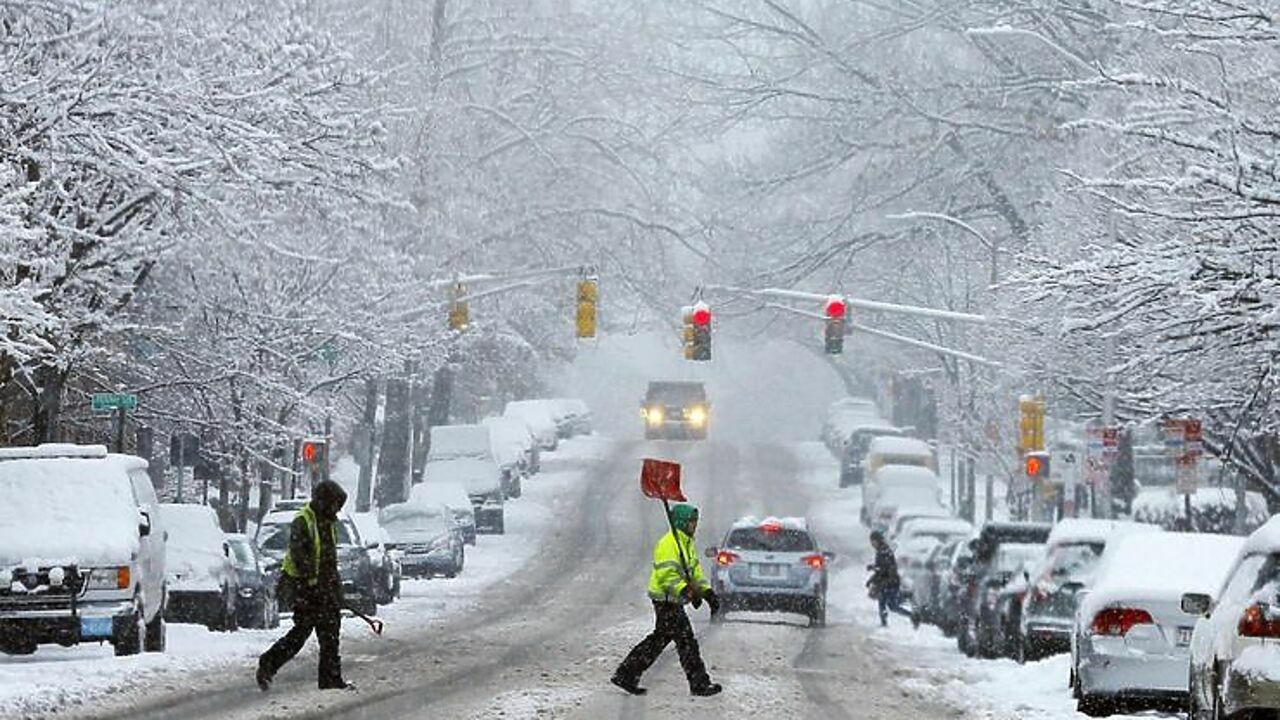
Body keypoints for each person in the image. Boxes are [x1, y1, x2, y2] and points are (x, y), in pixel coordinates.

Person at [612, 503, 722, 697]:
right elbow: (666, 575)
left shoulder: (686, 543)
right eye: (691, 522)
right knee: (686, 640)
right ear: (681, 522)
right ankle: (699, 683)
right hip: (665, 598)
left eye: (696, 521)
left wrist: (707, 593)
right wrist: (686, 590)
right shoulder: (669, 543)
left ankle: (627, 673)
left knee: (661, 638)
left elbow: (695, 573)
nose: (694, 525)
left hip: (673, 599)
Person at [257, 480, 353, 691]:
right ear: (324, 501)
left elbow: (329, 559)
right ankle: (268, 663)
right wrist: (314, 583)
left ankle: (330, 678)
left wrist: (335, 588)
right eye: (335, 503)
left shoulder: (328, 523)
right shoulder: (303, 521)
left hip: (323, 589)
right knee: (301, 632)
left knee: (331, 633)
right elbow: (301, 558)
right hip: (302, 588)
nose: (337, 508)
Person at [867, 530, 916, 628]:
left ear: (877, 540)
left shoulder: (884, 552)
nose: (872, 543)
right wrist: (873, 573)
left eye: (873, 541)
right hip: (888, 582)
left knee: (889, 605)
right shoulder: (883, 550)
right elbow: (882, 567)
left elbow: (884, 568)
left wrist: (874, 572)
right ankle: (885, 622)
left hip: (889, 582)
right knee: (889, 605)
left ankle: (911, 616)